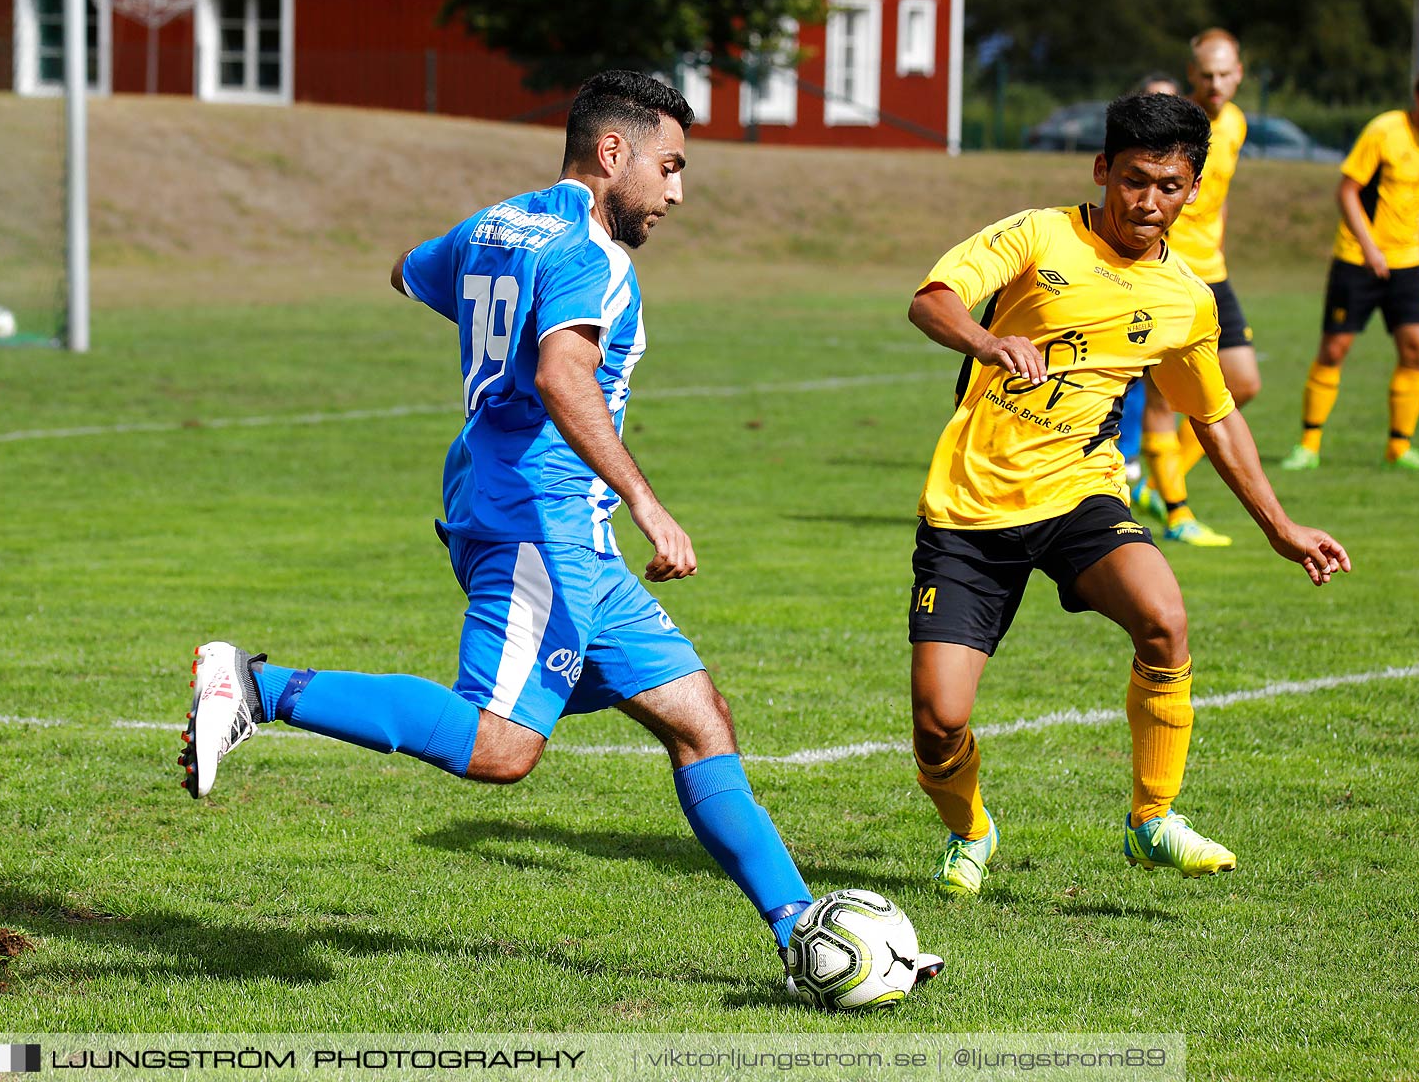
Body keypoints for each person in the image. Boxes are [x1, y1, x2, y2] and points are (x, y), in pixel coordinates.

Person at [181, 71, 867, 979]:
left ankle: (800, 934)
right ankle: (260, 689)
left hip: (534, 514)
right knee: (502, 748)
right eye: (668, 166)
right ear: (611, 152)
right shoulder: (593, 255)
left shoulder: (500, 223)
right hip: (538, 524)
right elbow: (562, 378)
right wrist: (650, 502)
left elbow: (407, 271)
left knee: (699, 718)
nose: (676, 192)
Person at [904, 93, 1350, 897]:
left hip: (1082, 491)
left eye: (1171, 186)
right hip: (970, 509)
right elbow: (931, 298)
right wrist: (988, 339)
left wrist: (1279, 526)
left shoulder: (1185, 299)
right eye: (1136, 180)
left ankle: (1152, 819)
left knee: (1164, 618)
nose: (1149, 203)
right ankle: (970, 832)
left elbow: (1214, 418)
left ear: (1193, 187)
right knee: (939, 721)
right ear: (1104, 169)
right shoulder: (1038, 234)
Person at [1282, 66, 1419, 473]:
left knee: (1418, 348)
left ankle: (1400, 447)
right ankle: (1308, 444)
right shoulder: (1384, 131)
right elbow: (1346, 190)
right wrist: (1370, 249)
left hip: (1408, 263)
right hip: (1357, 260)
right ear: (1418, 97)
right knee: (1335, 349)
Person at [1132, 30, 1257, 547]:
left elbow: (1219, 192)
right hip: (1173, 272)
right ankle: (1178, 513)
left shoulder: (1238, 124)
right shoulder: (1176, 128)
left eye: (1225, 73)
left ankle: (1162, 483)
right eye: (1206, 74)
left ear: (1240, 73)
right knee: (1165, 401)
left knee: (1243, 383)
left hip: (1215, 272)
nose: (1216, 83)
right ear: (1192, 74)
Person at [1113, 72, 1180, 485]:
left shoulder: (1192, 155)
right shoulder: (1128, 168)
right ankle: (1135, 465)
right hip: (1132, 277)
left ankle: (1160, 480)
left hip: (1186, 279)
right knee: (1134, 374)